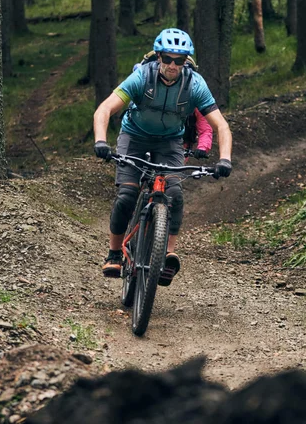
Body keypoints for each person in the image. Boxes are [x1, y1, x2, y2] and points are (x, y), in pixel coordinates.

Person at [92, 28, 233, 285]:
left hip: (170, 142)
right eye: (167, 58)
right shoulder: (142, 77)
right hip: (134, 137)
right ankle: (114, 253)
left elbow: (221, 125)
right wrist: (101, 141)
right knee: (127, 195)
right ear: (158, 56)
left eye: (179, 60)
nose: (172, 65)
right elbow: (105, 109)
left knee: (174, 194)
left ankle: (167, 253)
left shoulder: (195, 84)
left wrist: (225, 159)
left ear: (186, 61)